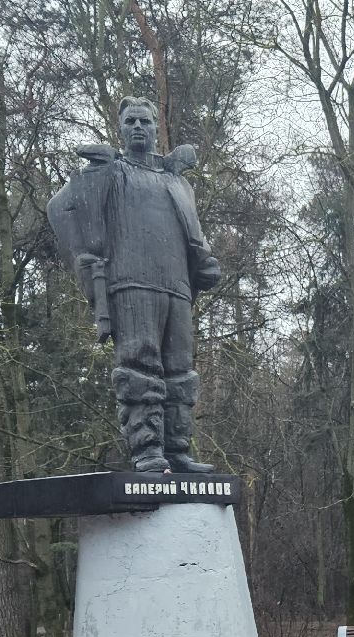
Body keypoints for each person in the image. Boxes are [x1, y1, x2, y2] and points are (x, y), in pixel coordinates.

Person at [48, 96, 224, 473]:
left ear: (156, 128)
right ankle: (147, 451)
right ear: (121, 129)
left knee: (180, 371)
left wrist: (205, 260)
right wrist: (89, 266)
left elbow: (192, 230)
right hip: (131, 284)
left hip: (176, 287)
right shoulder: (110, 172)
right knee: (139, 366)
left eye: (145, 121)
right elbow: (61, 210)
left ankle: (177, 451)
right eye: (131, 122)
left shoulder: (177, 181)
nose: (138, 127)